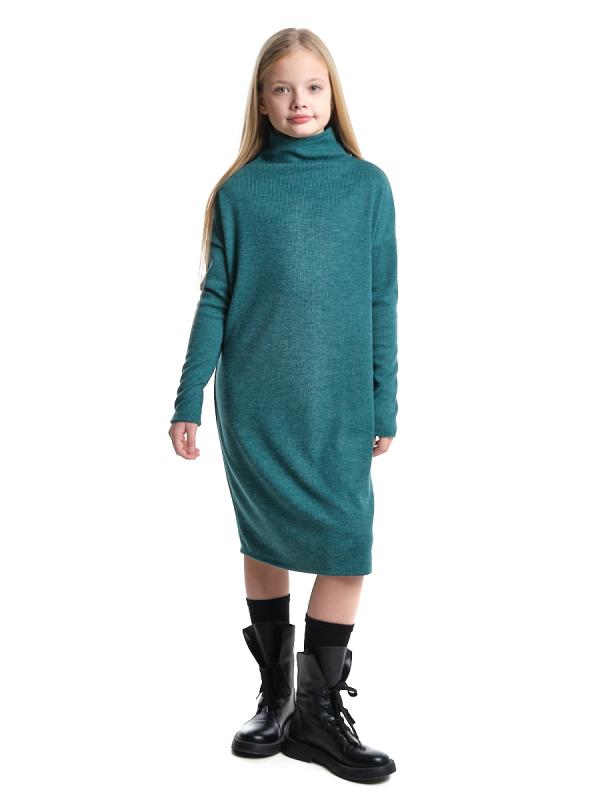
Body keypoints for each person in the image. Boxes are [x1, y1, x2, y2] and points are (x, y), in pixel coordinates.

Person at [168, 27, 398, 782]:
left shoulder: (368, 186)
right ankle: (276, 696)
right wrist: (188, 399)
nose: (300, 101)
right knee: (264, 542)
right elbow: (215, 299)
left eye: (313, 87)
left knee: (347, 545)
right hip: (257, 401)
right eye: (282, 89)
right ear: (262, 103)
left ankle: (316, 710)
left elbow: (382, 299)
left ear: (333, 95)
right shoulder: (239, 192)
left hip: (340, 403)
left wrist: (385, 401)